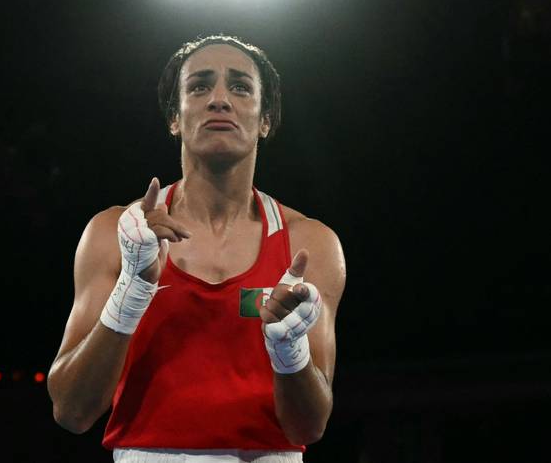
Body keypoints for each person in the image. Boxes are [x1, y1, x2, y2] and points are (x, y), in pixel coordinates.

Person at [47, 35, 346, 463]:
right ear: (175, 117)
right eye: (200, 86)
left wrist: (290, 353)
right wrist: (132, 289)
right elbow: (71, 411)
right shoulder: (113, 231)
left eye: (240, 87)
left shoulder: (310, 243)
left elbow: (309, 427)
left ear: (265, 120)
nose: (219, 99)